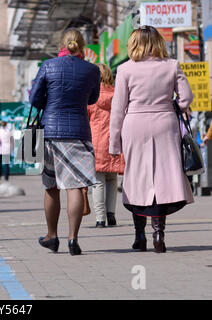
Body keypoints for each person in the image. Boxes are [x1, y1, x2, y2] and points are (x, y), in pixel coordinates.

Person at [109, 25, 194, 253]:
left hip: (134, 124)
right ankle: (159, 234)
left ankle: (140, 236)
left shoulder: (125, 69)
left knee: (138, 177)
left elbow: (118, 108)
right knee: (163, 178)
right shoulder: (172, 65)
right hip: (165, 123)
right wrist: (172, 106)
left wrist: (114, 143)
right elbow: (186, 98)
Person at [29, 28, 100, 255]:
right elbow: (93, 98)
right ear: (83, 45)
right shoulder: (92, 70)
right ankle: (73, 239)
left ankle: (52, 236)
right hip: (79, 132)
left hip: (51, 133)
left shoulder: (48, 66)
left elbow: (34, 99)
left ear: (61, 44)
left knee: (51, 187)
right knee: (76, 186)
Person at [87, 63, 125, 228]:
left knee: (98, 181)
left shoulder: (90, 96)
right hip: (115, 141)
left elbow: (85, 119)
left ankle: (100, 218)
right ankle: (112, 215)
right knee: (112, 179)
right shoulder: (118, 94)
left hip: (96, 142)